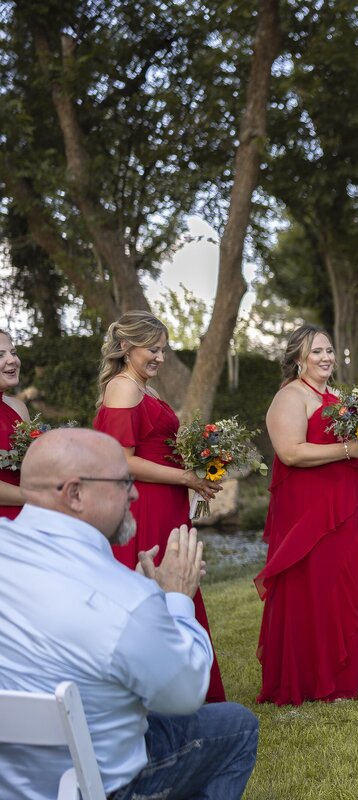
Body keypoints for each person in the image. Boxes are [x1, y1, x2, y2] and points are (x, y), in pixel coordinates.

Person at [0, 428, 258, 800]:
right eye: (124, 482)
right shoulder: (124, 600)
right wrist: (176, 600)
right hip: (100, 786)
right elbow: (185, 694)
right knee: (236, 725)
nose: (135, 493)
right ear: (75, 493)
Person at [93, 311, 226, 702]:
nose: (160, 358)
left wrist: (196, 469)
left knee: (176, 586)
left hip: (167, 504)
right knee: (156, 590)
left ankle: (186, 687)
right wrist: (186, 478)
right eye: (153, 349)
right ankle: (163, 693)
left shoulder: (144, 389)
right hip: (146, 508)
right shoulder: (123, 388)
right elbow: (123, 459)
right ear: (124, 347)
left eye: (163, 350)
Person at [255, 324, 358, 705]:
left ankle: (355, 670)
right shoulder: (290, 397)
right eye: (317, 351)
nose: (326, 357)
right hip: (311, 509)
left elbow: (353, 442)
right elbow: (291, 453)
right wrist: (349, 449)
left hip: (348, 503)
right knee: (317, 585)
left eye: (329, 350)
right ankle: (317, 677)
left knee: (349, 582)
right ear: (298, 356)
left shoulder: (337, 396)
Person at [0, 329, 30, 519]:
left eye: (14, 352)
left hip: (25, 518)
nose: (12, 360)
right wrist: (38, 497)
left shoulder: (19, 408)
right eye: (0, 355)